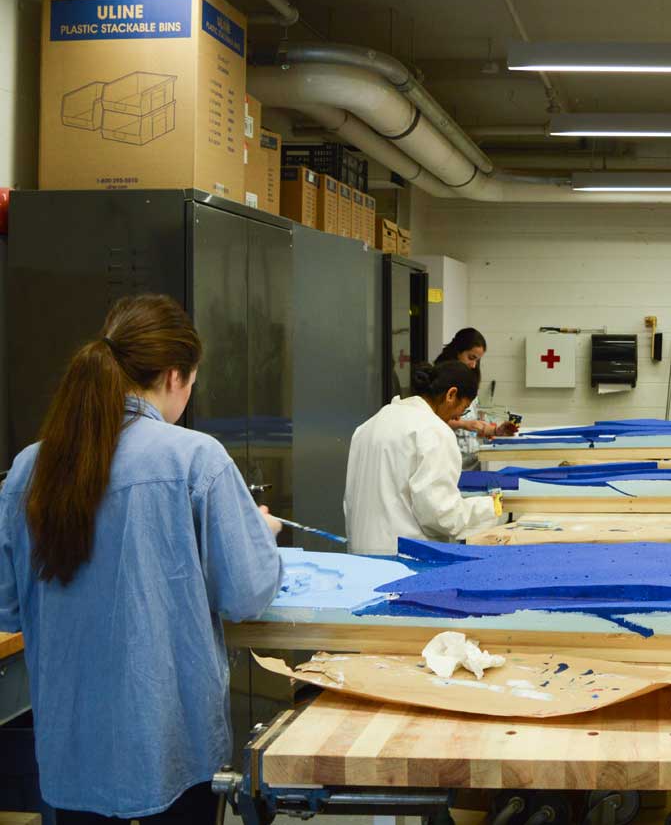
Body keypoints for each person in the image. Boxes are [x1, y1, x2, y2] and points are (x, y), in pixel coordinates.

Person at [0, 294, 283, 824]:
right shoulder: (194, 457)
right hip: (170, 743)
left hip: (71, 751)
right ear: (176, 376)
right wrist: (259, 534)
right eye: (192, 384)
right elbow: (247, 593)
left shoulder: (27, 469)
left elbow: (7, 609)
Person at [344, 360, 501, 553]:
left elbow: (350, 501)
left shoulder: (368, 426)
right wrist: (492, 507)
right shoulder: (433, 431)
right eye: (464, 408)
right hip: (405, 558)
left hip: (362, 554)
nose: (459, 417)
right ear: (451, 394)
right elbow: (441, 514)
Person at [435, 328, 518, 471]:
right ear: (458, 351)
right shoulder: (439, 379)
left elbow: (472, 422)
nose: (473, 365)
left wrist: (495, 431)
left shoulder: (469, 378)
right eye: (471, 358)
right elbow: (436, 418)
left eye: (477, 361)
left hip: (471, 459)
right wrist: (464, 424)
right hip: (449, 460)